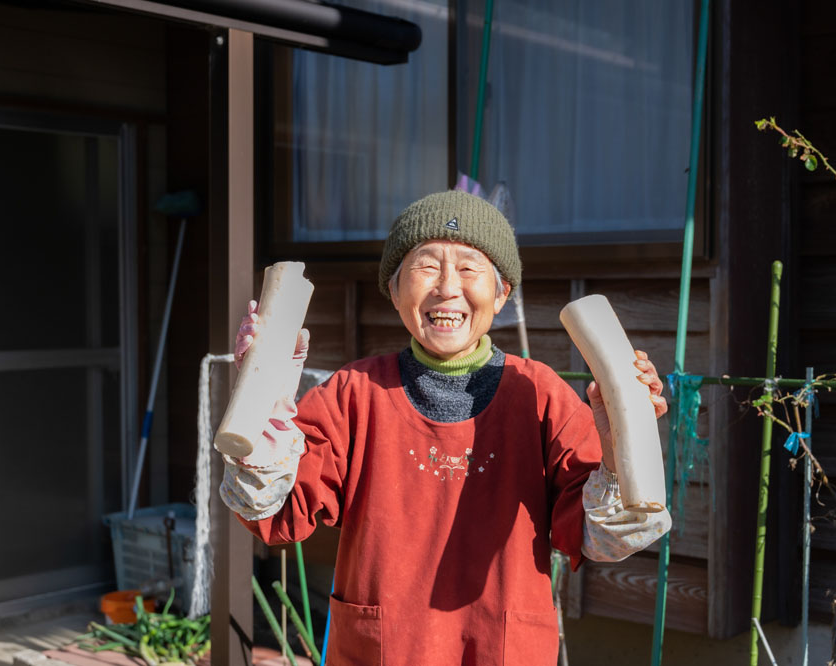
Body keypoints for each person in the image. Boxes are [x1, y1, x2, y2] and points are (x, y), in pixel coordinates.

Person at [219, 190, 671, 665]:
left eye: (469, 268)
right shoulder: (353, 393)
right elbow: (276, 512)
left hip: (501, 650)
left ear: (502, 294)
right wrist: (264, 404)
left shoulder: (540, 394)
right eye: (426, 266)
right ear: (395, 291)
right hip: (384, 651)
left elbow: (601, 537)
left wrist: (618, 444)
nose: (447, 288)